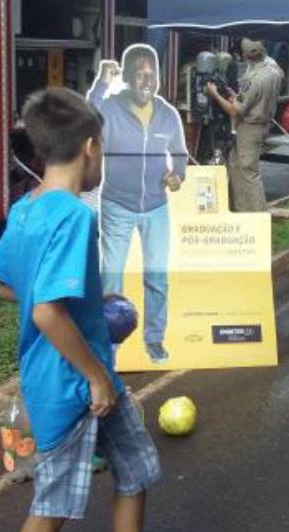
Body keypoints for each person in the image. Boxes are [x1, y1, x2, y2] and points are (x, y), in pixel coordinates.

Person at [0, 87, 161, 532]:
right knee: (52, 507)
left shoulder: (26, 208)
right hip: (75, 385)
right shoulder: (77, 215)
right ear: (91, 147)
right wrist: (96, 377)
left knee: (136, 470)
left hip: (80, 378)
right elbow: (46, 315)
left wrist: (74, 300)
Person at [88, 44, 187, 364]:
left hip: (157, 207)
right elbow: (88, 122)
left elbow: (181, 154)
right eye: (140, 73)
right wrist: (101, 84)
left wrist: (178, 175)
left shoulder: (167, 114)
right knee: (112, 278)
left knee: (157, 277)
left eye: (152, 73)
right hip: (117, 204)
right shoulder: (111, 107)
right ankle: (108, 348)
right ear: (128, 78)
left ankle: (155, 341)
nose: (147, 79)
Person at [206, 38, 282, 212]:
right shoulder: (273, 72)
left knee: (248, 173)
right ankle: (240, 212)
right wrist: (237, 95)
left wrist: (215, 94)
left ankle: (257, 218)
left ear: (245, 53)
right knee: (235, 167)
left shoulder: (252, 78)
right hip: (261, 125)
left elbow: (235, 111)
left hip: (249, 128)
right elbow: (249, 100)